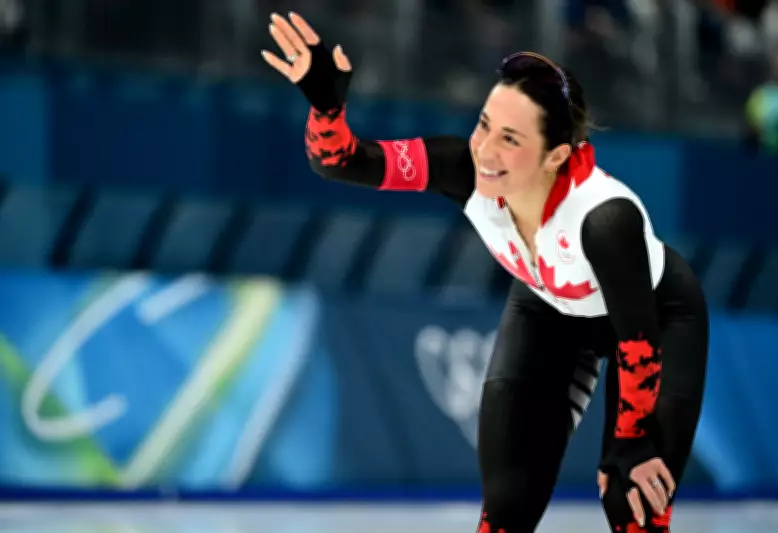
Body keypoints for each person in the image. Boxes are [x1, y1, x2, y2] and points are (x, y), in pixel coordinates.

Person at [262, 12, 708, 533]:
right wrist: (326, 106)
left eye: (512, 140)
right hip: (549, 307)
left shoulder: (604, 219)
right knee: (505, 512)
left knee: (632, 505)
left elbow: (637, 340)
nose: (486, 150)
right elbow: (344, 161)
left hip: (656, 320)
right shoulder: (462, 169)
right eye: (484, 125)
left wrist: (630, 444)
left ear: (555, 155)